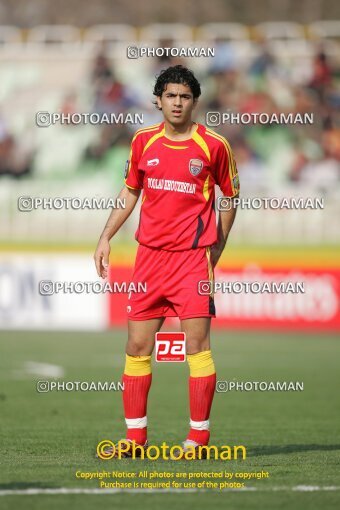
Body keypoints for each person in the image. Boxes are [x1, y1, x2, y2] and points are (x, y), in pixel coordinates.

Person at [94, 65, 239, 457]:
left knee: (197, 346)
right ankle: (135, 439)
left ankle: (198, 439)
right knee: (137, 346)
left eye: (185, 97)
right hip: (149, 262)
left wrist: (218, 246)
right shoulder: (143, 142)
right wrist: (106, 236)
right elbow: (129, 193)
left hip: (192, 262)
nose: (178, 103)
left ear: (195, 101)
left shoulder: (214, 146)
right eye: (171, 96)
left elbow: (230, 197)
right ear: (158, 100)